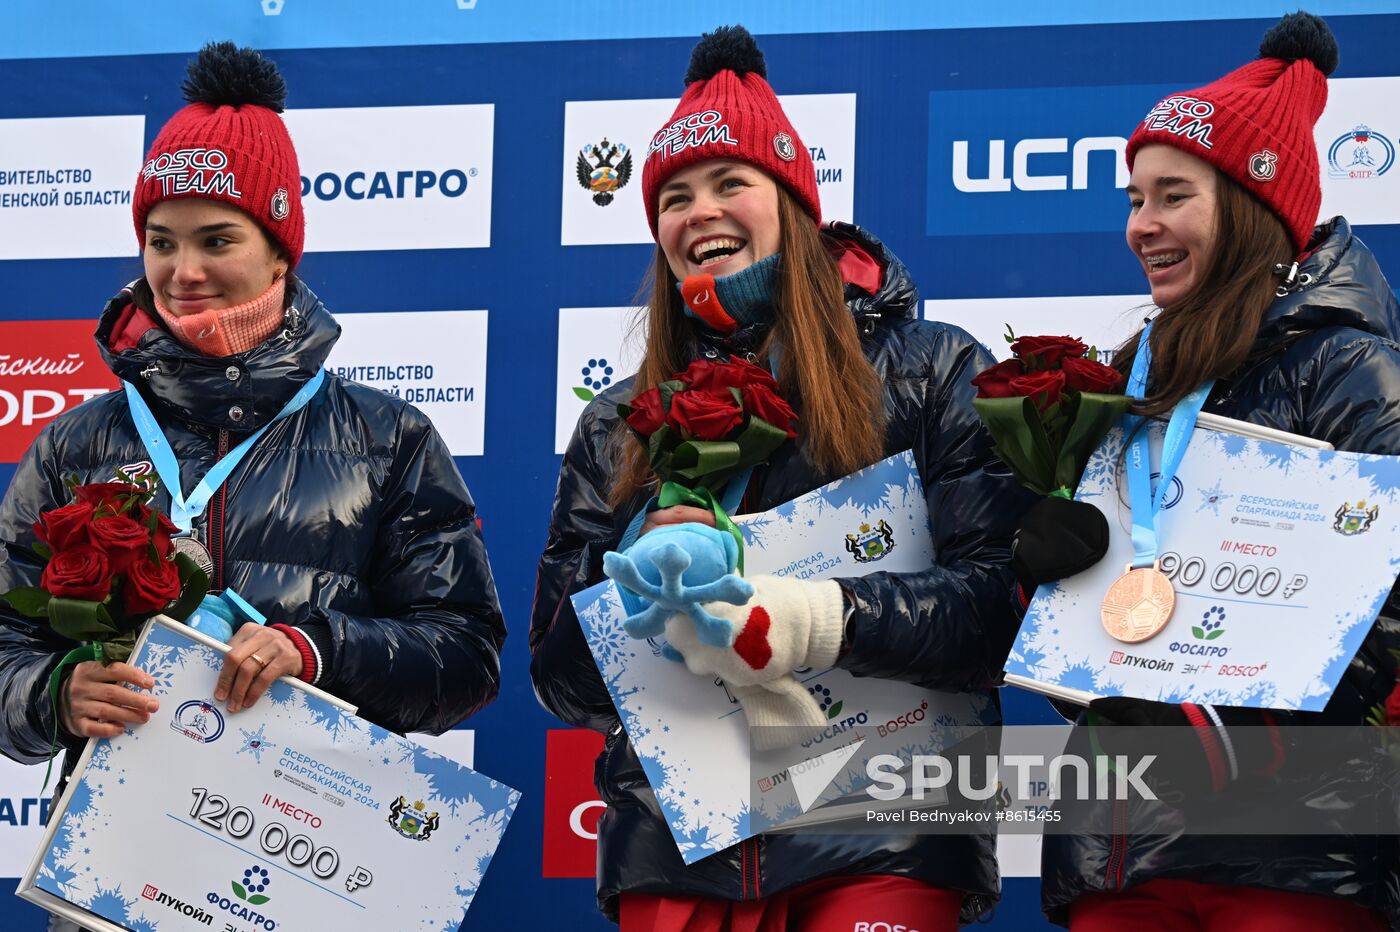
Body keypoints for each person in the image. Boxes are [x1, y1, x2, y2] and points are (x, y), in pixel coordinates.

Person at [530, 25, 1030, 932]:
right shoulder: (617, 422)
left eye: (731, 183)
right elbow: (560, 681)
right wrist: (634, 576)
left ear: (793, 203)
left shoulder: (928, 368)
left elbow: (998, 608)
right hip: (677, 849)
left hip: (882, 829)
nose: (698, 212)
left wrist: (814, 621)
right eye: (673, 197)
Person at [0, 41, 505, 859]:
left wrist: (318, 647)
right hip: (119, 862)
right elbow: (4, 642)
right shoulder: (76, 442)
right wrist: (55, 692)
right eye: (161, 241)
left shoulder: (388, 439)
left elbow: (464, 654)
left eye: (217, 239)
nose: (183, 270)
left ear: (279, 249)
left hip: (309, 855)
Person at [1015, 12, 1400, 931]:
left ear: (1254, 203)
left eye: (1171, 196)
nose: (1139, 226)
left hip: (1294, 856)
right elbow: (1099, 633)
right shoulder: (1127, 374)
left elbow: (1390, 604)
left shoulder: (1350, 369)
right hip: (1118, 854)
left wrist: (1239, 734)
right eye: (1133, 198)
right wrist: (1049, 575)